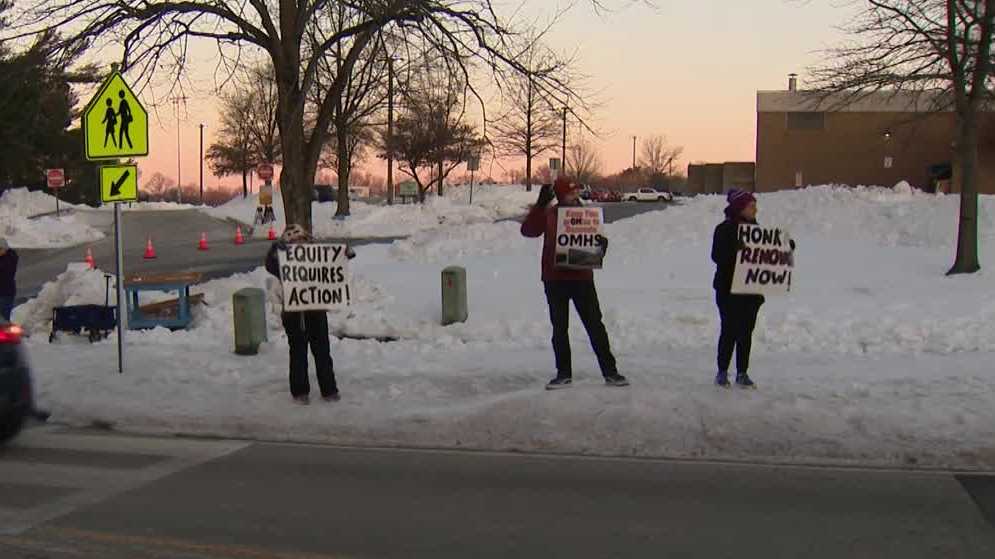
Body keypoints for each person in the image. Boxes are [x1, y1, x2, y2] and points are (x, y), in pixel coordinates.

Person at [521, 176, 628, 390]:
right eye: (570, 193)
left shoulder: (587, 216)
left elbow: (594, 241)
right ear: (560, 195)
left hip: (582, 279)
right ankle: (564, 373)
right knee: (560, 328)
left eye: (576, 192)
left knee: (595, 326)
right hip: (555, 279)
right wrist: (540, 205)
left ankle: (610, 371)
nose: (575, 196)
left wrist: (599, 248)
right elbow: (528, 231)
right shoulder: (551, 214)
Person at [711, 189, 793, 389]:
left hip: (750, 292)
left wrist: (784, 247)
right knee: (729, 330)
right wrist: (736, 250)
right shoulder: (724, 229)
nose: (755, 209)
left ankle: (742, 372)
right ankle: (722, 372)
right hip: (728, 290)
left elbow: (765, 252)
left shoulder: (757, 232)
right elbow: (717, 257)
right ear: (740, 208)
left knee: (746, 332)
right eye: (751, 206)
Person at [265, 224, 355, 404]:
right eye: (293, 242)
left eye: (300, 240)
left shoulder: (317, 256)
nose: (298, 244)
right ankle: (300, 392)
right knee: (298, 352)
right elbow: (270, 264)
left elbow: (334, 263)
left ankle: (329, 390)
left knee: (322, 351)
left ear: (306, 239)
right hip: (293, 314)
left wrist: (344, 253)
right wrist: (276, 249)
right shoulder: (283, 261)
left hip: (316, 311)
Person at [0, 239, 17, 322]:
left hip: (6, 293)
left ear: (5, 248)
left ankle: (3, 334)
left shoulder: (10, 258)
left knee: (4, 318)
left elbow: (4, 270)